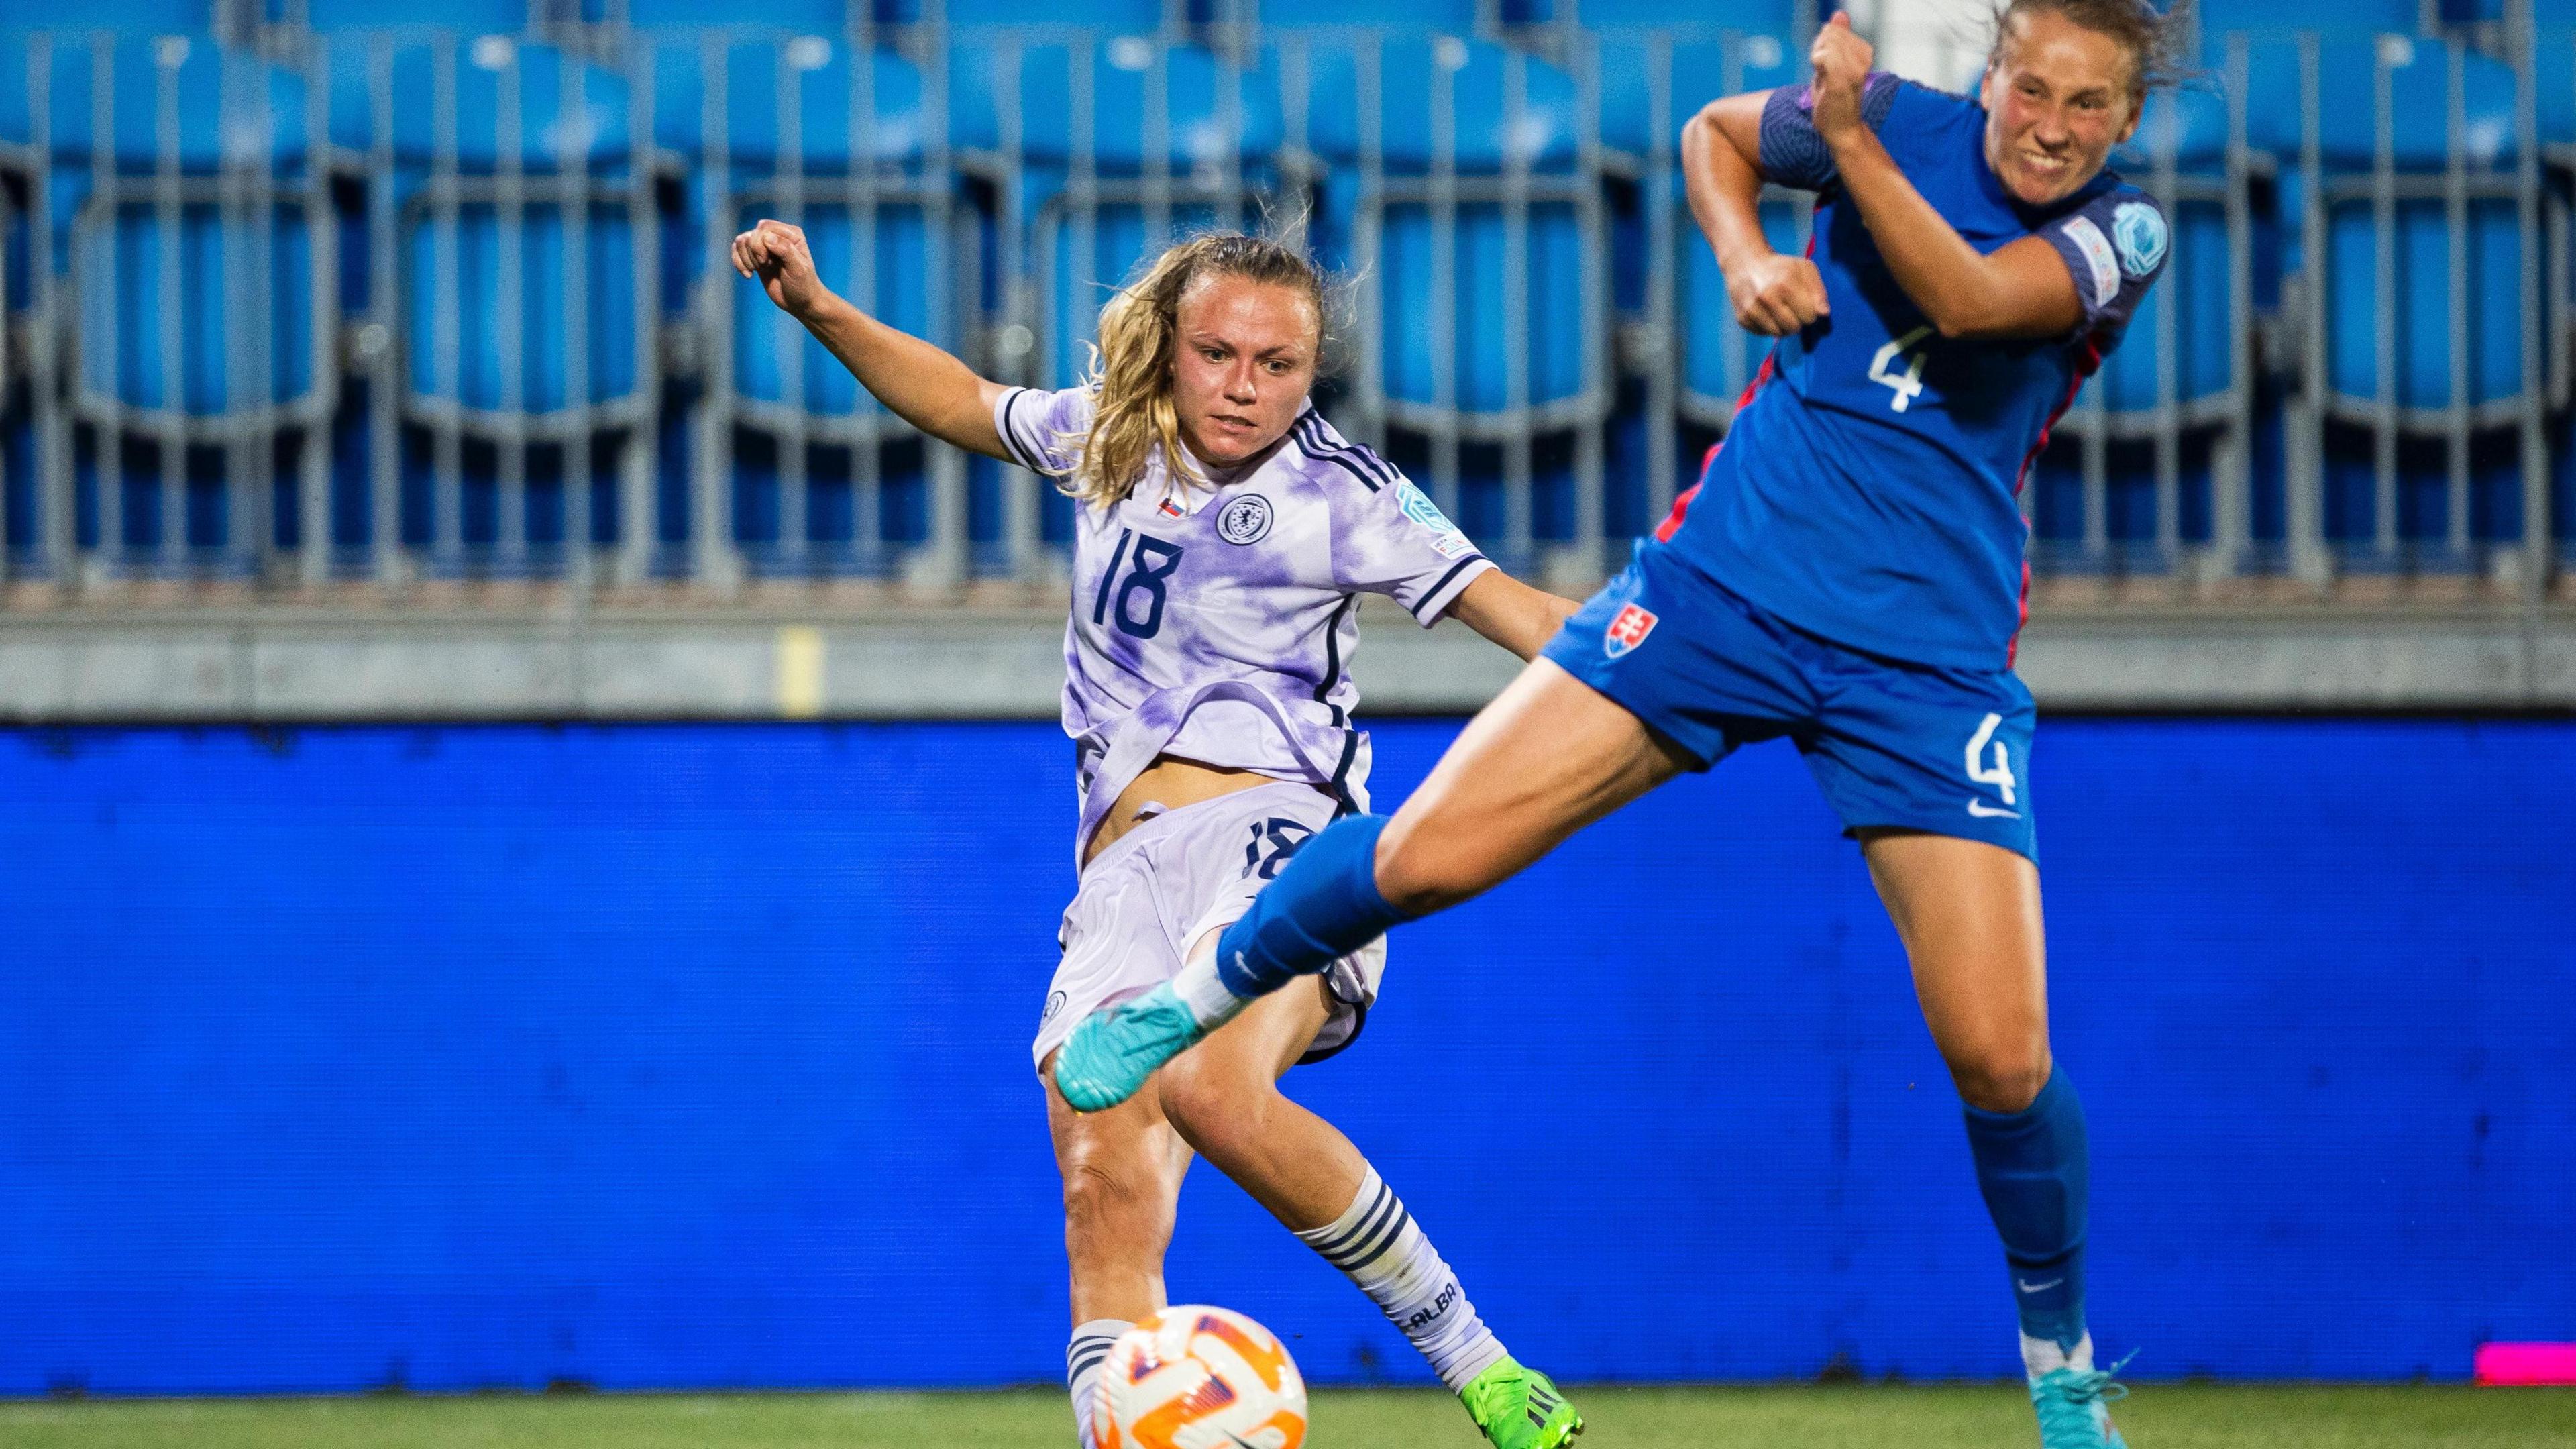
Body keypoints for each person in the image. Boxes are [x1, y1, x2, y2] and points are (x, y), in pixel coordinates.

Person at [1051, 5, 2182, 1447]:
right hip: (1722, 588)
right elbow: (1715, 133)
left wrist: (1839, 141)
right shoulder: (1903, 116)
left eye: (2090, 108)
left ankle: (2062, 1361)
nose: (2052, 127)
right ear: (2000, 70)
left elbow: (1967, 303)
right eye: (2035, 88)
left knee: (2001, 1057)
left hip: (1925, 656)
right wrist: (1746, 251)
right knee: (1429, 854)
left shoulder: (2116, 233)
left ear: (2126, 124)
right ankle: (1194, 994)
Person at [731, 221, 1587, 1448]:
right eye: (1219, 353)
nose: (1245, 386)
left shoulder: (1348, 495)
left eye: (1278, 364)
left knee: (1208, 1085)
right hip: (1119, 866)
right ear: (1173, 349)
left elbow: (1529, 618)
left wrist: (1696, 659)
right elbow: (966, 401)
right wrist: (818, 308)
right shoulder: (1112, 437)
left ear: (1312, 371)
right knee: (1101, 1191)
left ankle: (1483, 1369)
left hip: (1280, 836)